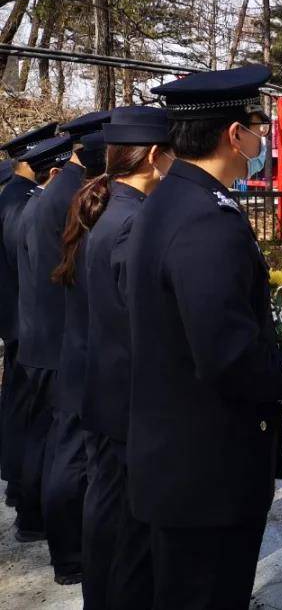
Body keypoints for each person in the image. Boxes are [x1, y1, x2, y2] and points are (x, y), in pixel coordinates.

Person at [126, 64, 282, 609]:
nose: (261, 141)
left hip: (179, 458)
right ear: (235, 135)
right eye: (257, 128)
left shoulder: (170, 200)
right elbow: (226, 354)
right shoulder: (208, 218)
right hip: (207, 469)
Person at [52, 106, 173, 609]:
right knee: (126, 534)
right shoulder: (132, 222)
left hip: (105, 391)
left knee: (108, 520)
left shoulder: (110, 209)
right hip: (127, 403)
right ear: (152, 157)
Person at [30, 112, 110, 585]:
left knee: (65, 447)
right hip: (75, 342)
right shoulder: (76, 197)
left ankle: (66, 548)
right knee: (72, 454)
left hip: (65, 336)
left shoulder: (62, 192)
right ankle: (70, 554)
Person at [13, 132, 77, 553]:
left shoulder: (32, 204)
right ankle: (64, 547)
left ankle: (31, 516)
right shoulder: (57, 205)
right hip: (54, 342)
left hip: (35, 335)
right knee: (63, 447)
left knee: (40, 436)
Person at [0, 122, 57, 525]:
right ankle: (26, 498)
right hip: (28, 323)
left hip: (18, 322)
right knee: (31, 415)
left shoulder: (13, 198)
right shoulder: (24, 205)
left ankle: (19, 486)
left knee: (21, 408)